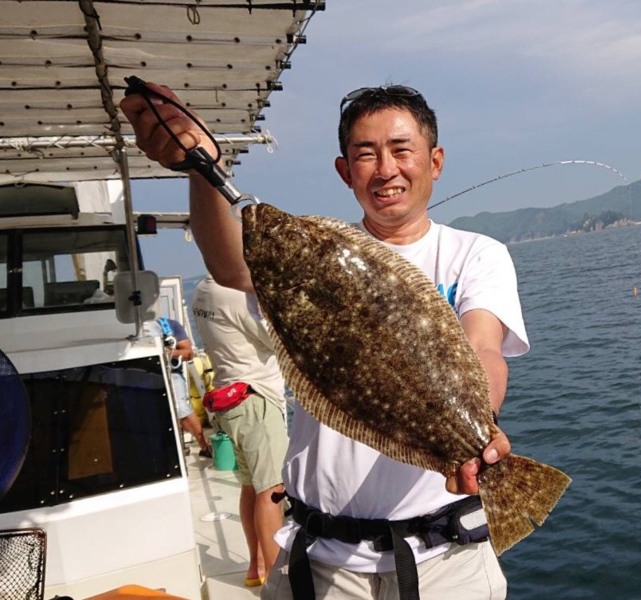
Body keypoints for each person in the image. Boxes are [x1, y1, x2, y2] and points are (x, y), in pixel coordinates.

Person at [121, 83, 528, 600]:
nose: (386, 169)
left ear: (435, 160)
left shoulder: (476, 254)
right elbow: (231, 265)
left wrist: (476, 433)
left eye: (402, 150)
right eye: (366, 154)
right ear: (344, 171)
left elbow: (483, 349)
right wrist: (203, 170)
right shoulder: (314, 260)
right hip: (321, 560)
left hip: (446, 560)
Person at [191, 275, 289, 587]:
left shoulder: (203, 290)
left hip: (228, 401)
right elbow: (277, 340)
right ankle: (276, 581)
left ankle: (256, 566)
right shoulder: (235, 294)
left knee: (251, 486)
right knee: (272, 491)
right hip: (255, 401)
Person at [158, 316, 212, 458]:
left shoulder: (169, 326)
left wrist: (168, 353)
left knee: (180, 406)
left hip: (172, 374)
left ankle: (204, 445)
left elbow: (188, 353)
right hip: (145, 377)